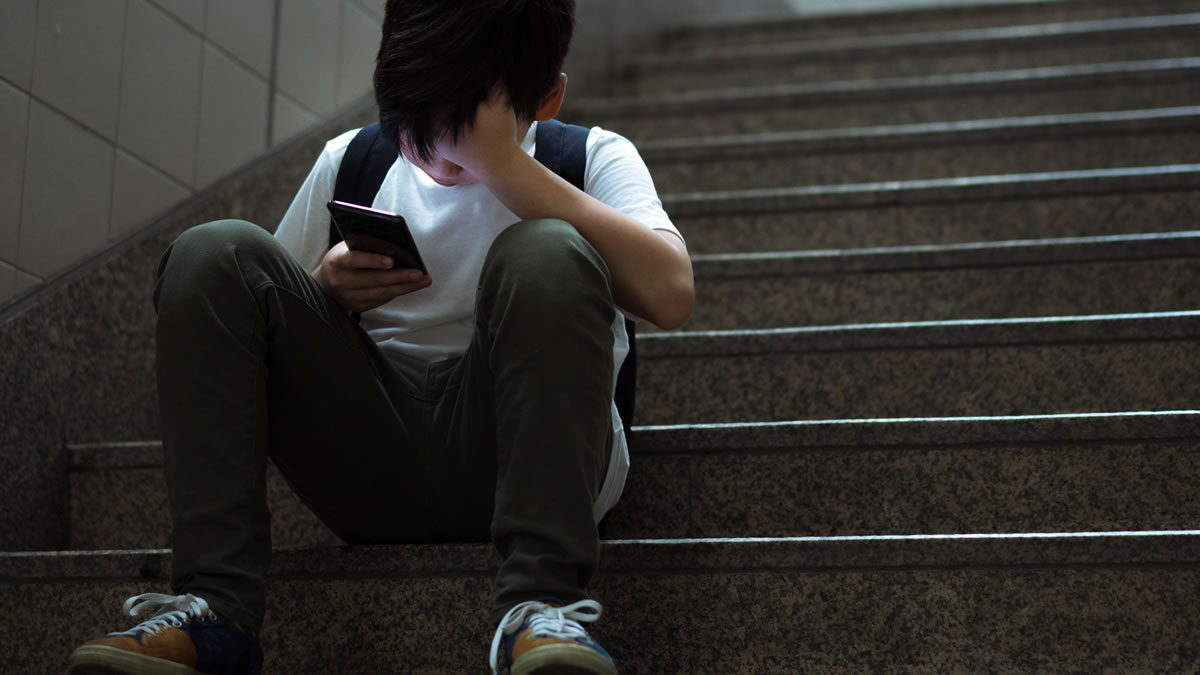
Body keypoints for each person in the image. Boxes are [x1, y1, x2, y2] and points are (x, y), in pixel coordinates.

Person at [68, 0, 693, 673]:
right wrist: (324, 289)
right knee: (211, 253)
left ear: (546, 97)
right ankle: (216, 609)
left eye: (461, 131)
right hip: (372, 458)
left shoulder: (589, 158)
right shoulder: (356, 159)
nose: (434, 154)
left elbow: (669, 292)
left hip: (525, 456)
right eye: (416, 126)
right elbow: (241, 325)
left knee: (545, 251)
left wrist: (504, 167)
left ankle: (541, 608)